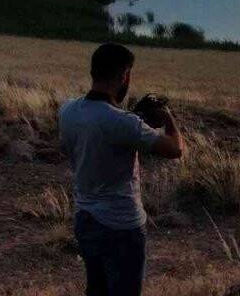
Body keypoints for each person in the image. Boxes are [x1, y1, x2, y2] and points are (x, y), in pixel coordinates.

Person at [59, 43, 184, 296]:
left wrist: (131, 120)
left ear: (93, 72)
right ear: (124, 75)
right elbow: (175, 150)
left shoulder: (67, 110)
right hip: (121, 225)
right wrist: (168, 119)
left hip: (85, 217)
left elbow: (99, 128)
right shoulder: (123, 123)